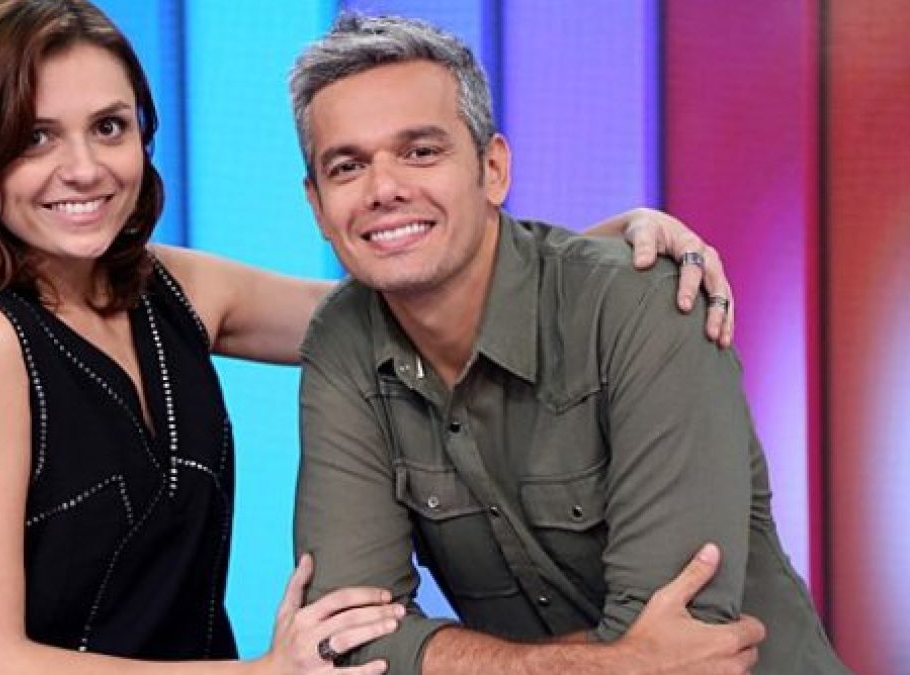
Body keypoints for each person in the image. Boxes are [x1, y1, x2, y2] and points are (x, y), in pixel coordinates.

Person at [0, 1, 746, 673]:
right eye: (36, 137)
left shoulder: (167, 285)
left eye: (108, 127)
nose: (83, 167)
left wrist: (602, 249)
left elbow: (406, 287)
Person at [292, 14, 848, 675]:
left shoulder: (645, 306)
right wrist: (611, 663)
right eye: (348, 166)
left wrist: (446, 657)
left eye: (420, 152)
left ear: (493, 169)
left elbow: (683, 648)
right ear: (318, 206)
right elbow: (347, 643)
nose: (384, 189)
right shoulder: (342, 341)